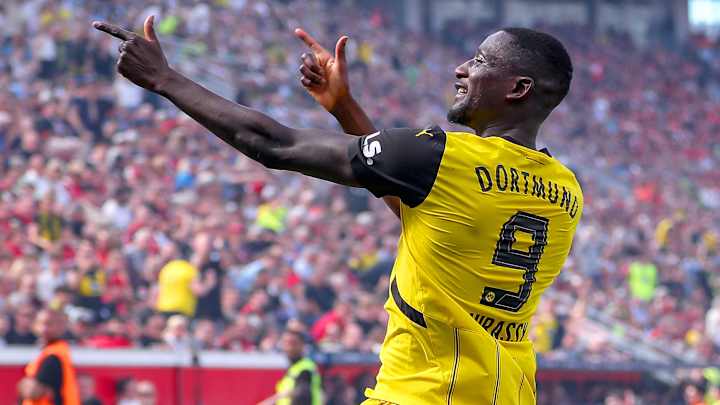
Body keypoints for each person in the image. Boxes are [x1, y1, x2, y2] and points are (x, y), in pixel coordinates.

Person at [93, 16, 581, 405]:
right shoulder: (564, 189)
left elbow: (274, 145)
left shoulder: (443, 156)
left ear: (517, 88)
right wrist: (344, 109)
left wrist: (164, 78)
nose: (461, 69)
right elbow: (429, 216)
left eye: (479, 60)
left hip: (422, 392)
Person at [17, 308, 81, 405]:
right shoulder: (55, 352)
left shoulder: (53, 356)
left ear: (61, 327)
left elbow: (31, 391)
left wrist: (24, 385)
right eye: (40, 323)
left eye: (49, 324)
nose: (43, 329)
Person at [257, 329, 322, 405]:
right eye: (285, 343)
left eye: (292, 343)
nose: (288, 347)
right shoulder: (294, 368)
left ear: (302, 345)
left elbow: (302, 396)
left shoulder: (305, 369)